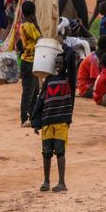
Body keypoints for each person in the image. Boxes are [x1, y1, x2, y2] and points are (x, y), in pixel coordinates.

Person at [31, 51, 74, 192]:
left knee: (60, 151)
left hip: (62, 121)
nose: (58, 65)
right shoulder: (49, 80)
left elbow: (72, 58)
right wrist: (36, 121)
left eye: (61, 63)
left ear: (66, 65)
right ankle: (46, 181)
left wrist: (64, 46)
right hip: (47, 120)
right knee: (46, 152)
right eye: (56, 63)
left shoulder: (69, 79)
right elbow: (40, 99)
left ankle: (62, 183)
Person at [18, 1, 41, 126]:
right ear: (33, 13)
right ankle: (24, 118)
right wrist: (36, 22)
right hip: (29, 61)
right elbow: (40, 37)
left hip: (30, 61)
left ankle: (31, 116)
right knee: (29, 91)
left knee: (35, 90)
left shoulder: (23, 25)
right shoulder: (29, 26)